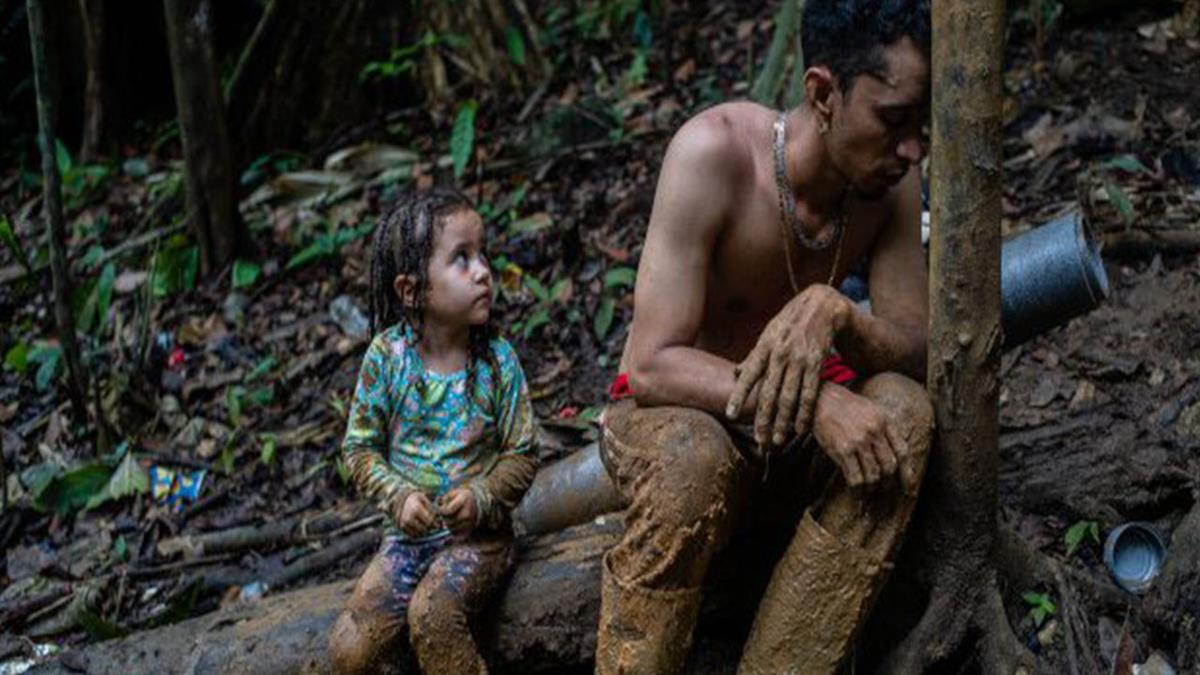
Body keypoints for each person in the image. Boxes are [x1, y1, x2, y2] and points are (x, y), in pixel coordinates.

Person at [595, 1, 934, 673]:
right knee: (693, 458)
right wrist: (814, 402)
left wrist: (839, 312)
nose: (912, 148)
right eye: (893, 121)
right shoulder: (713, 153)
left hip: (787, 442)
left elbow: (915, 342)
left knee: (905, 414)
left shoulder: (891, 184)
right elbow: (651, 364)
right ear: (822, 92)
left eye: (919, 125)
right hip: (684, 416)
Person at [328, 189, 537, 675]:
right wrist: (399, 497)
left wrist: (482, 496)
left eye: (482, 253)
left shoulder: (497, 363)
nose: (483, 271)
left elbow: (523, 454)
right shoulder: (387, 358)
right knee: (349, 647)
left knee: (434, 615)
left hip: (479, 542)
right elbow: (359, 448)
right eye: (461, 260)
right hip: (405, 543)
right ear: (411, 291)